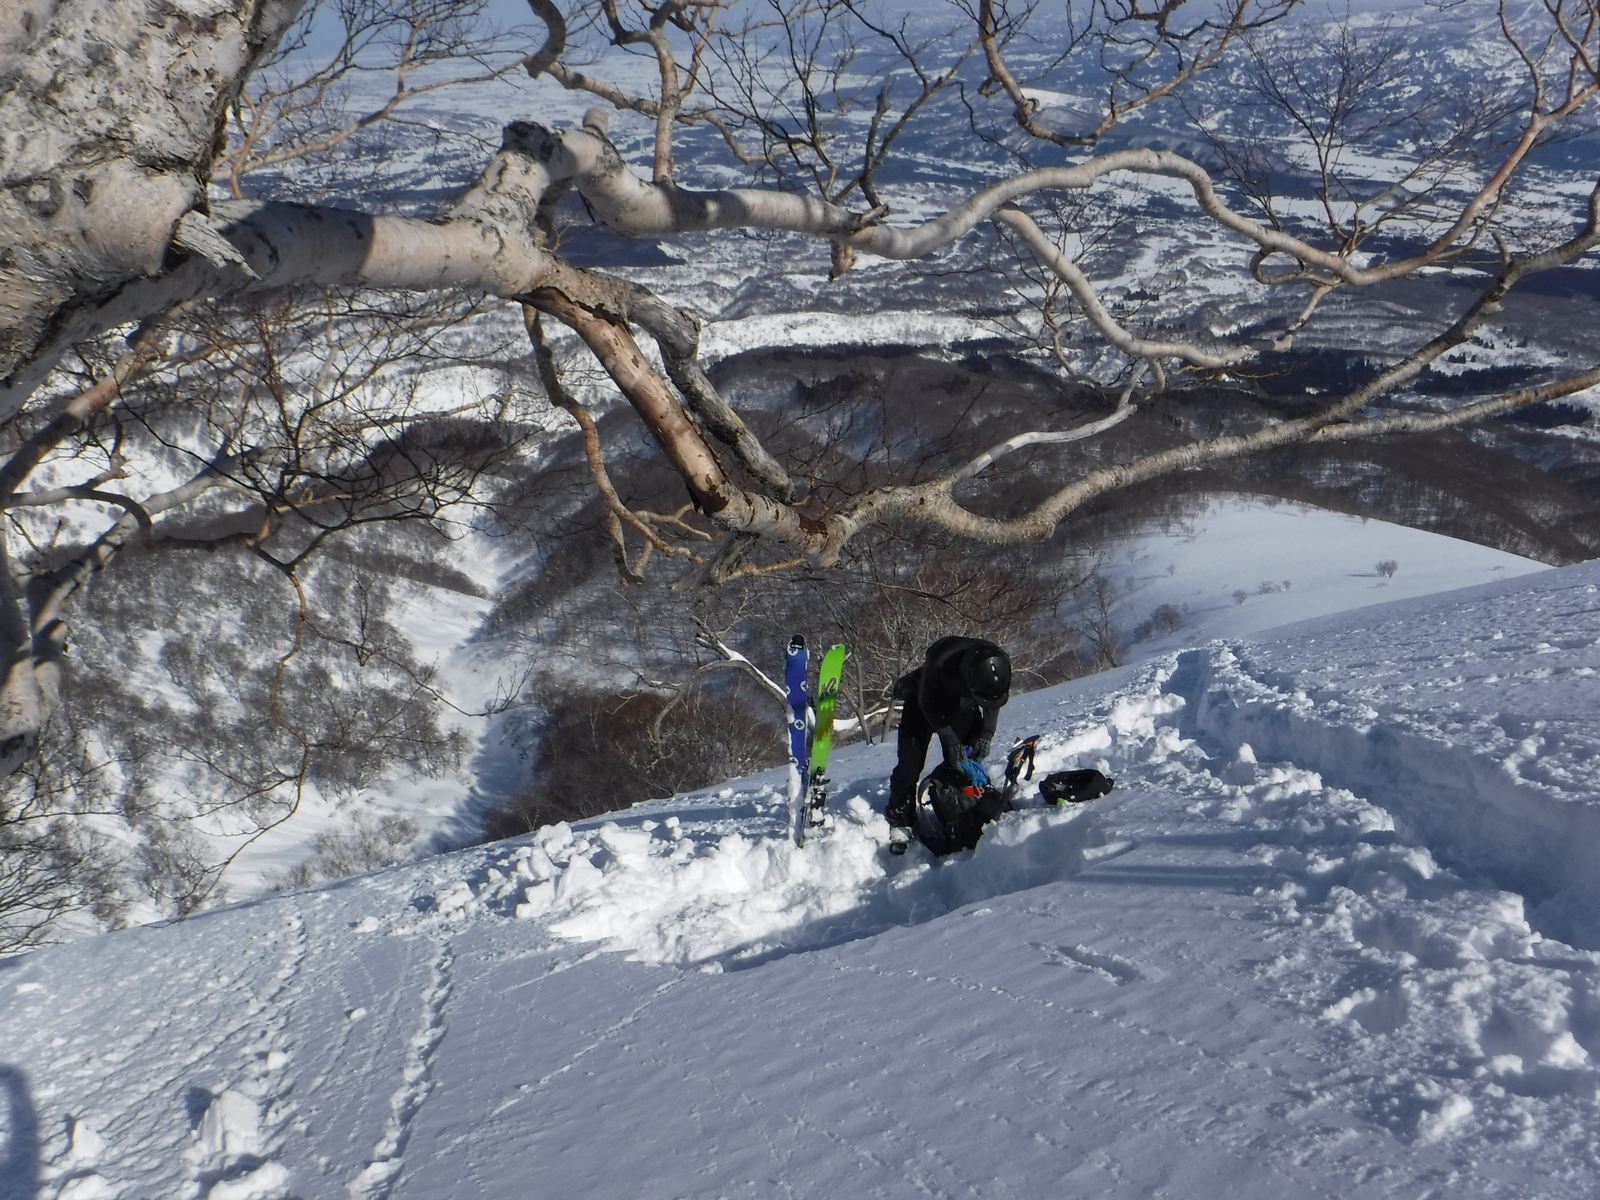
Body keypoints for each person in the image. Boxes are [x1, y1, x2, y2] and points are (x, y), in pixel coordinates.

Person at [886, 636, 1012, 850]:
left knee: (965, 761)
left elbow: (993, 700)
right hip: (922, 704)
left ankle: (962, 808)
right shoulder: (941, 658)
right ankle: (901, 816)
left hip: (960, 707)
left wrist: (986, 735)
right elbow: (927, 703)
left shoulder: (996, 664)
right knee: (909, 766)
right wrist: (950, 739)